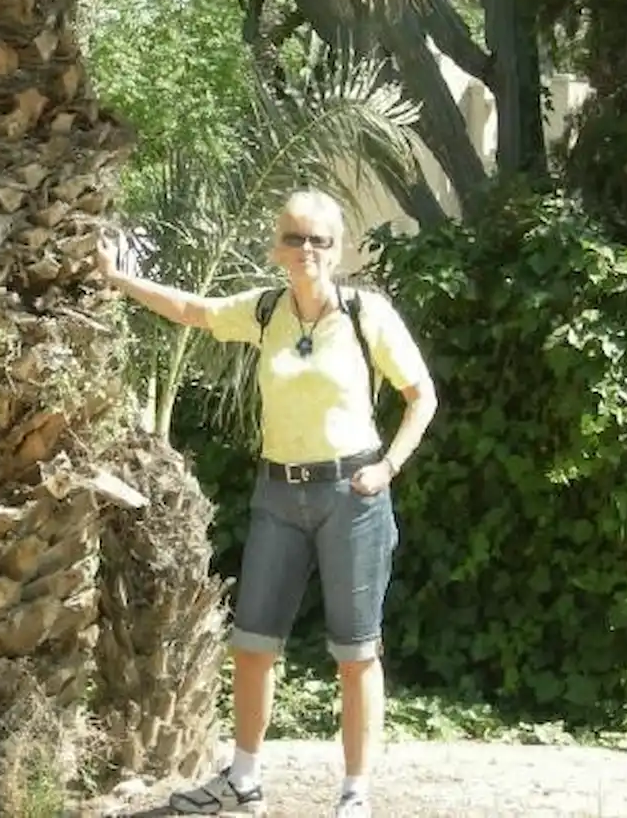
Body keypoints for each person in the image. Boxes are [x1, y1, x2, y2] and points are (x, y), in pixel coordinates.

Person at [95, 189, 438, 817]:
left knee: (356, 653)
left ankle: (355, 793)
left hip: (351, 496)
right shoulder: (265, 311)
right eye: (293, 238)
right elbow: (194, 310)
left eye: (318, 240)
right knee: (253, 643)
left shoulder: (366, 315)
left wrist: (388, 467)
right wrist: (119, 280)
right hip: (279, 493)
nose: (306, 250)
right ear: (277, 246)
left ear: (337, 249)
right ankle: (244, 780)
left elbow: (422, 396)